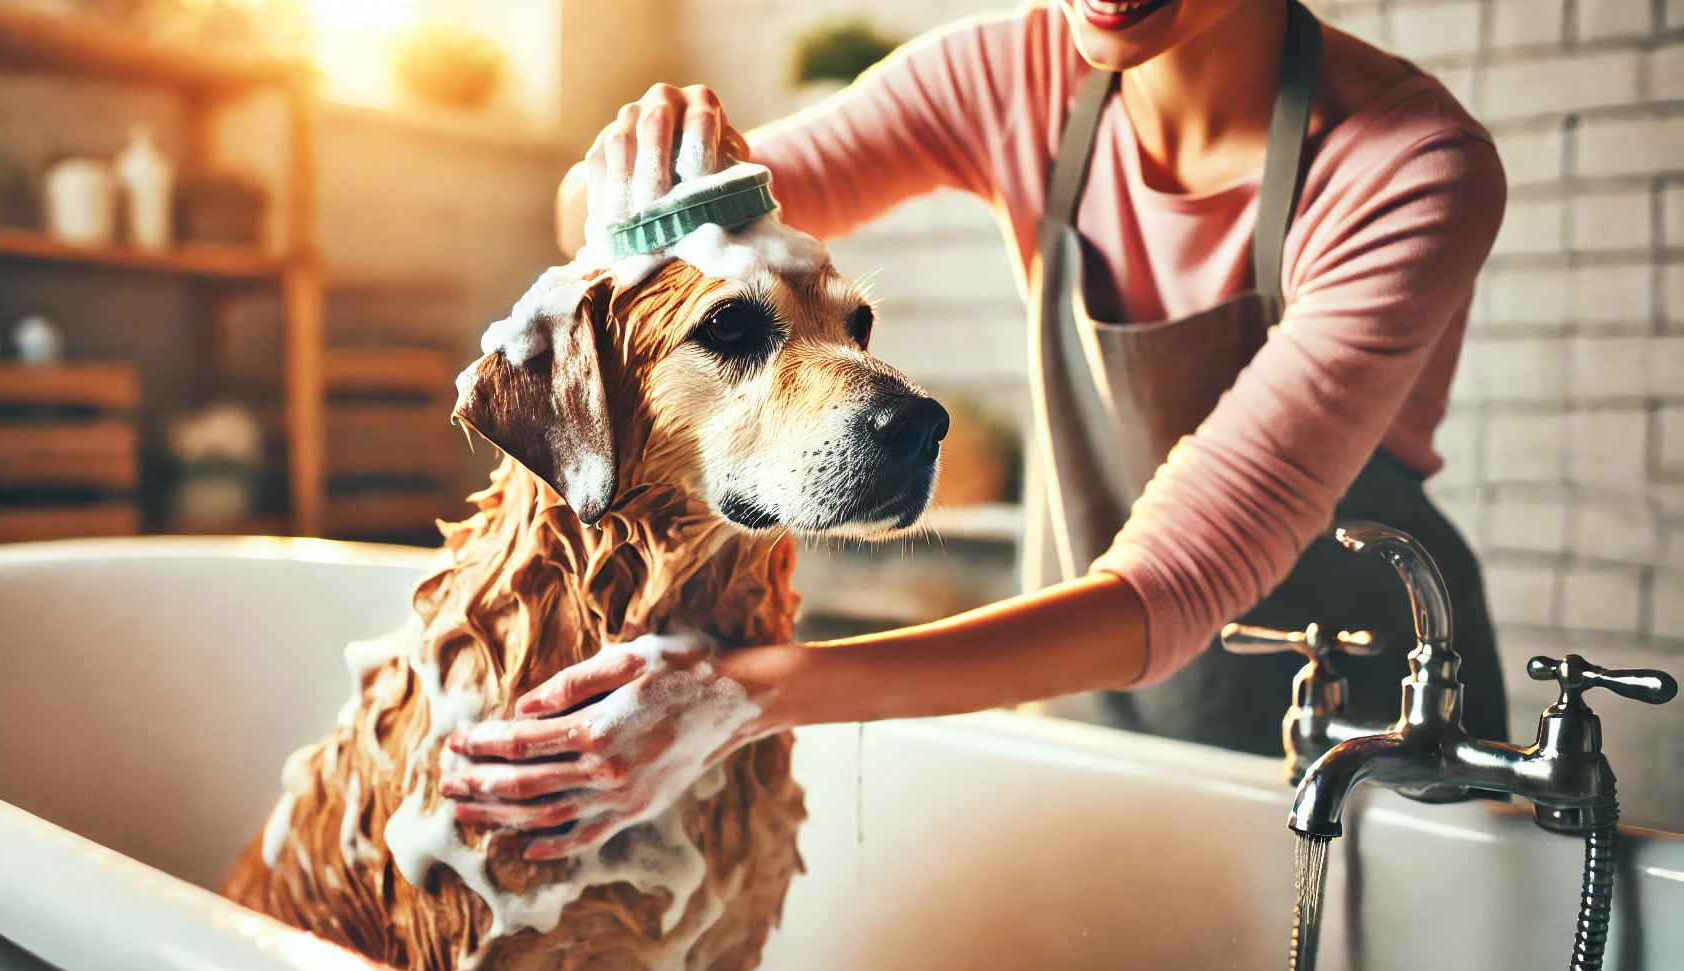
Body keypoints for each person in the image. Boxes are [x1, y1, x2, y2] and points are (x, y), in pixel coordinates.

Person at [441, 0, 1510, 860]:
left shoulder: (1410, 168)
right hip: (1080, 687)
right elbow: (622, 247)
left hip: (1356, 732)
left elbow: (1187, 573)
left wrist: (748, 694)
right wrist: (633, 160)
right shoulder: (1014, 69)